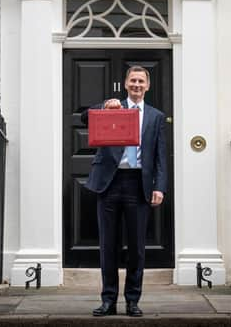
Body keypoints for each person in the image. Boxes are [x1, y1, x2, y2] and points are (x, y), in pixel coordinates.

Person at [80, 65, 167, 317]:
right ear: (126, 83)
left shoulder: (155, 117)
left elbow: (161, 156)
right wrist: (103, 105)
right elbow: (86, 118)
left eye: (141, 81)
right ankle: (108, 300)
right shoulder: (113, 107)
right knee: (108, 245)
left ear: (147, 86)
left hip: (138, 183)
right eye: (133, 81)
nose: (137, 85)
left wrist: (159, 187)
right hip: (109, 182)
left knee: (137, 247)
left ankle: (132, 300)